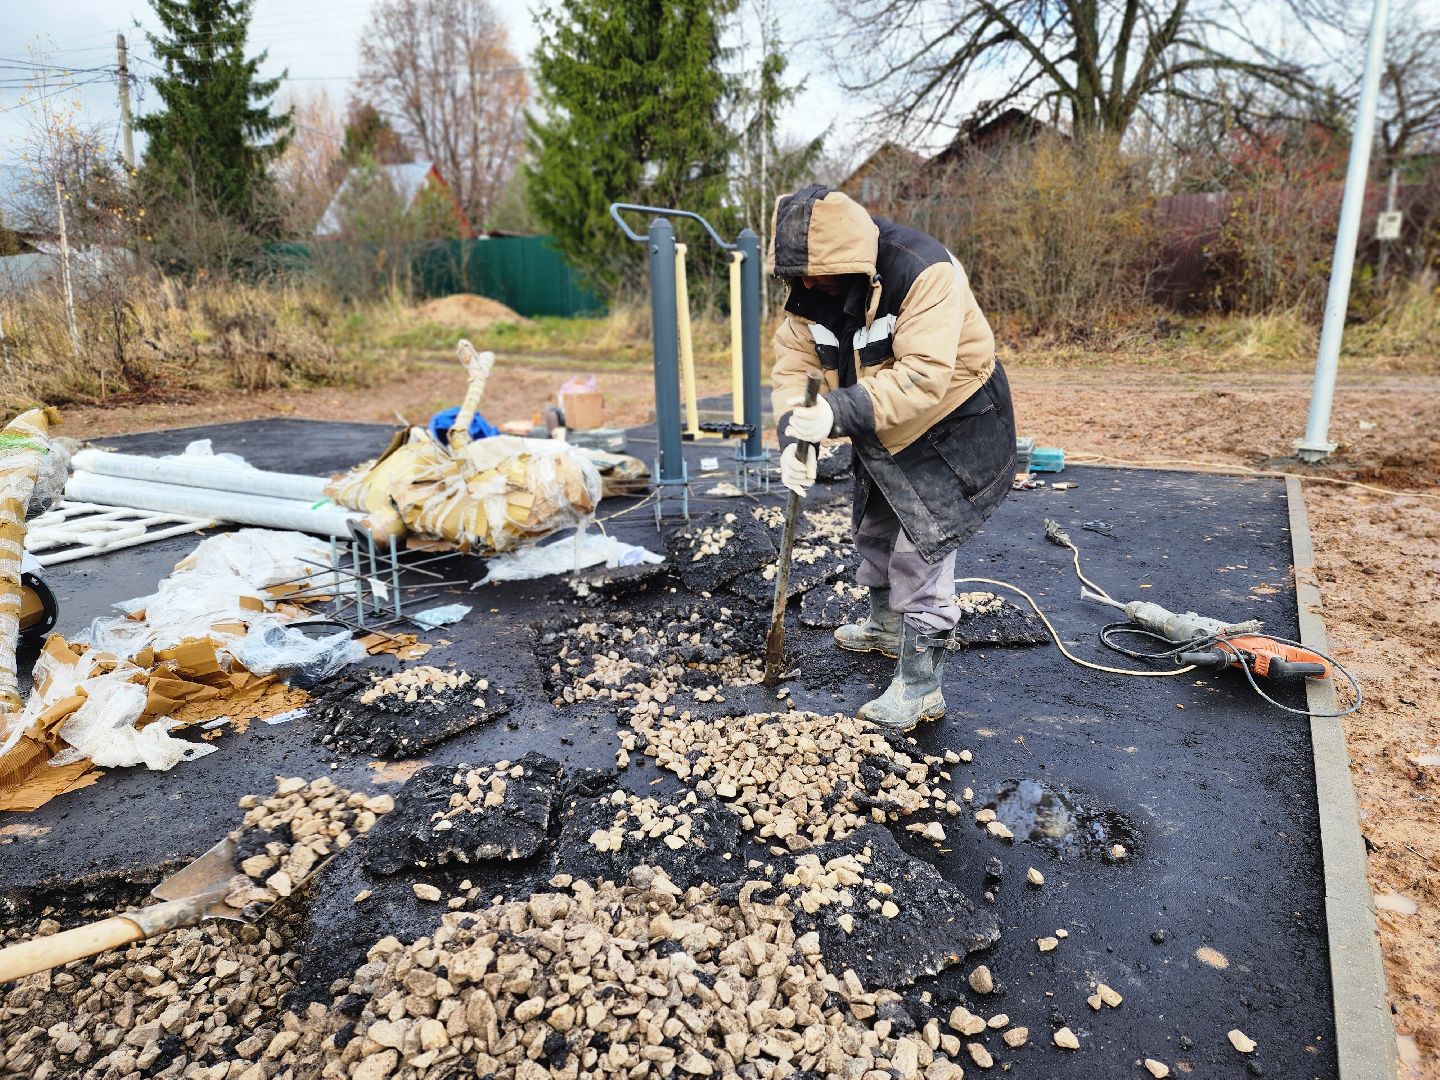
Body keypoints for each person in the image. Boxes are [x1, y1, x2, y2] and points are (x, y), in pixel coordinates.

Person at [769, 183, 1016, 732]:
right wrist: (794, 436)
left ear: (849, 258)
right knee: (873, 527)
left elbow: (924, 378)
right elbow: (794, 375)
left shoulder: (925, 272)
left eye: (815, 272)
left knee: (921, 543)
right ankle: (885, 627)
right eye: (797, 274)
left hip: (953, 420)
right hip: (877, 417)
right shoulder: (809, 297)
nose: (806, 284)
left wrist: (832, 413)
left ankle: (922, 685)